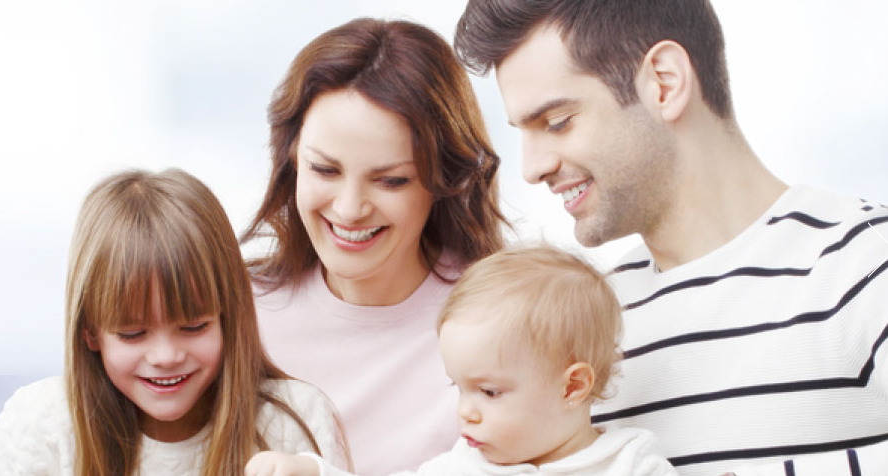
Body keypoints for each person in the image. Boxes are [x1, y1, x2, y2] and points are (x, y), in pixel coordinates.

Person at [453, 1, 888, 475]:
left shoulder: (867, 263)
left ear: (664, 83)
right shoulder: (582, 325)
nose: (532, 167)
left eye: (557, 122)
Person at [241, 17, 506, 476]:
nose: (349, 209)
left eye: (391, 181)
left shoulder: (507, 321)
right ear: (291, 159)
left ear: (444, 180)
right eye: (325, 170)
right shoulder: (234, 313)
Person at [0, 169, 350, 476]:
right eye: (132, 334)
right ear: (90, 331)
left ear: (228, 316)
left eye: (194, 327)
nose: (166, 356)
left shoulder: (294, 420)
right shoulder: (41, 422)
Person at [243, 245, 678, 476]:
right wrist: (310, 471)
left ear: (572, 387)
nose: (465, 412)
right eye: (460, 388)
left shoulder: (630, 464)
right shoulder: (461, 467)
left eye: (489, 392)